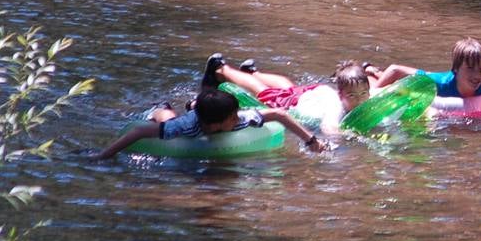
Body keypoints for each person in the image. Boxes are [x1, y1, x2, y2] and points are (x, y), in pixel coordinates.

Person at [95, 87, 325, 159]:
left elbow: (280, 115)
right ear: (216, 125)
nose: (239, 118)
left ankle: (196, 102)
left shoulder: (238, 120)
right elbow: (138, 132)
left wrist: (311, 140)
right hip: (190, 122)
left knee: (202, 108)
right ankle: (163, 108)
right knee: (168, 118)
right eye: (233, 117)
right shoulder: (186, 128)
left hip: (206, 115)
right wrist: (103, 155)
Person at [205, 54, 371, 134]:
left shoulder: (367, 97)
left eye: (364, 93)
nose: (360, 99)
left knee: (288, 87)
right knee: (265, 93)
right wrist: (354, 136)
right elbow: (328, 128)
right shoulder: (335, 107)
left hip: (314, 94)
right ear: (340, 95)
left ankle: (252, 72)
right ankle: (220, 69)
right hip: (298, 103)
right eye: (352, 96)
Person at [368, 37, 481, 98]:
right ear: (456, 69)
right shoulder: (437, 83)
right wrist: (373, 95)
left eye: (480, 68)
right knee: (399, 80)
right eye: (470, 68)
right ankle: (373, 72)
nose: (477, 75)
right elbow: (396, 69)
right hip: (439, 77)